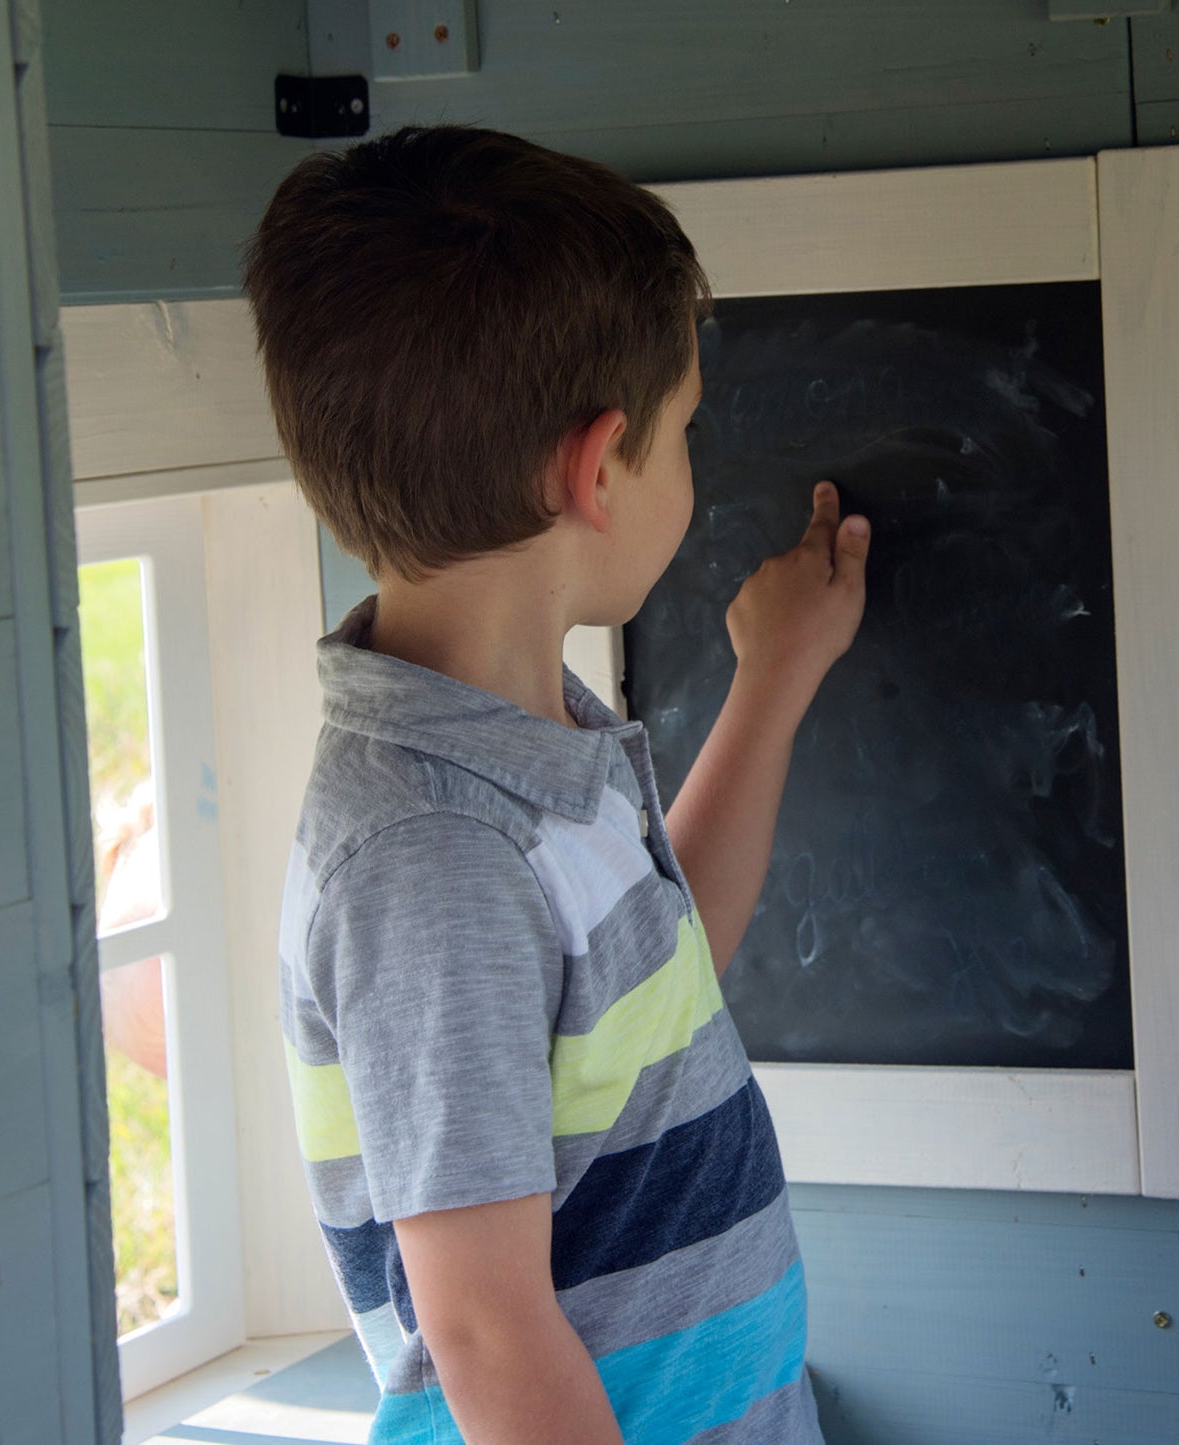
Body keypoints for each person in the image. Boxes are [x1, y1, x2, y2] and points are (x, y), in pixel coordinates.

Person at [243, 124, 870, 1445]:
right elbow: (482, 1328)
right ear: (596, 469)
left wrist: (770, 682)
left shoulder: (526, 748)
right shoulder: (430, 851)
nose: (689, 464)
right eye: (683, 431)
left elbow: (661, 964)